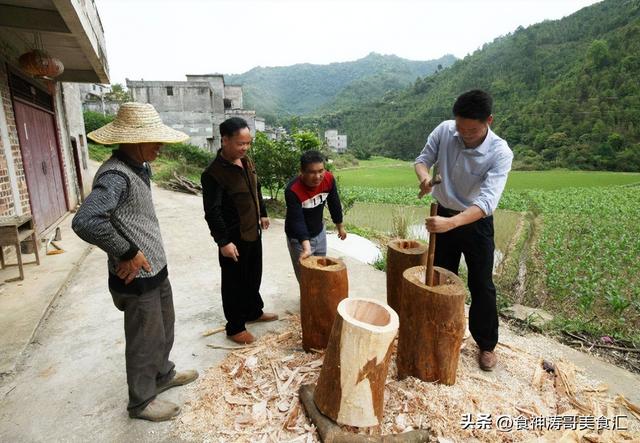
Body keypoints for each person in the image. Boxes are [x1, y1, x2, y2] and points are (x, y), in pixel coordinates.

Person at [72, 102, 199, 422]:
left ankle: (162, 374)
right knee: (144, 338)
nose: (159, 146)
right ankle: (141, 401)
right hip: (136, 275)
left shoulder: (140, 167)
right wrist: (126, 252)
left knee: (164, 328)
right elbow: (87, 221)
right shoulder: (115, 175)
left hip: (155, 269)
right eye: (155, 140)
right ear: (132, 140)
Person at [414, 89, 513, 371]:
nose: (465, 134)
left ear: (489, 121)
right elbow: (423, 160)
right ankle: (440, 330)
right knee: (442, 277)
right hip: (443, 213)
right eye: (461, 127)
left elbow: (487, 202)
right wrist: (424, 179)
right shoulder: (446, 131)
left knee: (481, 284)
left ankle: (486, 345)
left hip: (475, 220)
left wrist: (451, 223)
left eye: (472, 130)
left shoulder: (500, 152)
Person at [201, 117, 277, 345]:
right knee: (234, 283)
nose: (244, 148)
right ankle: (234, 327)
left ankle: (253, 311)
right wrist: (223, 242)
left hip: (252, 231)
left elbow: (256, 186)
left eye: (248, 143)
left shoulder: (246, 162)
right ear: (224, 140)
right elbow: (212, 212)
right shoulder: (213, 174)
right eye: (240, 144)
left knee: (254, 275)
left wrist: (262, 212)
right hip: (233, 238)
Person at [284, 150, 347, 280]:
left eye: (320, 171)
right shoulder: (293, 190)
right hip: (298, 238)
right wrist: (306, 247)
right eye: (312, 172)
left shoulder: (328, 179)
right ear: (301, 171)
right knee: (306, 278)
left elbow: (334, 202)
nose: (318, 176)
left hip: (319, 231)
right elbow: (297, 220)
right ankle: (307, 300)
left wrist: (340, 226)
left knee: (321, 270)